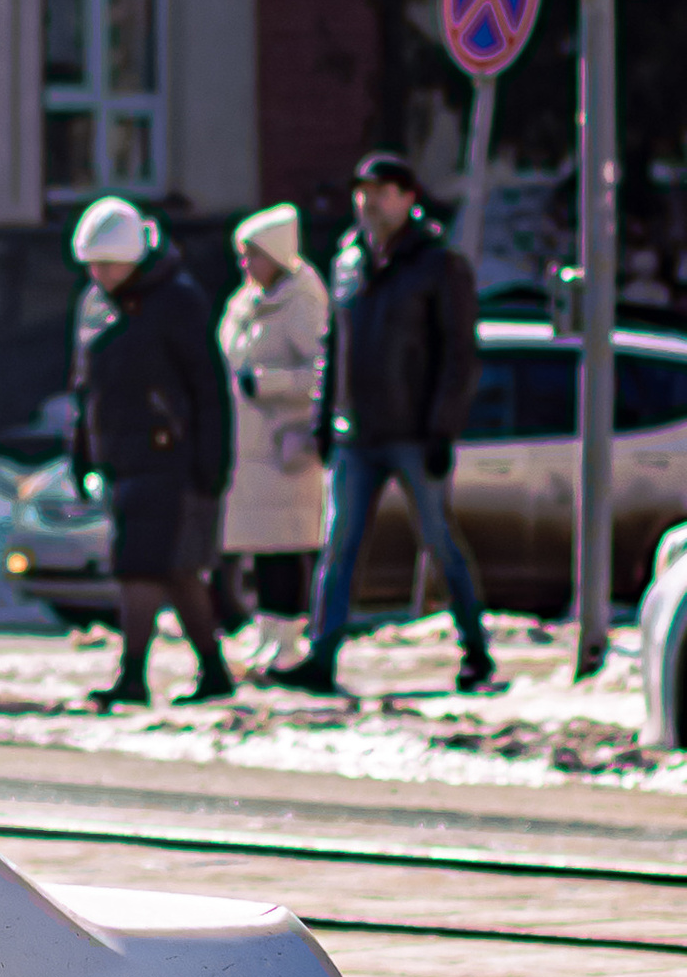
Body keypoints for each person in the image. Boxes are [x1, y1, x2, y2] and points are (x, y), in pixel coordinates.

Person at [272, 150, 492, 696]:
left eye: (380, 191)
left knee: (439, 540)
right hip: (357, 434)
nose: (367, 201)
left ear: (408, 198)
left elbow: (459, 354)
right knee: (339, 545)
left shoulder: (438, 263)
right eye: (361, 191)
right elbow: (333, 347)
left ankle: (476, 652)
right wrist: (325, 417)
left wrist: (444, 428)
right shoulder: (348, 259)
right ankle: (322, 656)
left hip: (414, 434)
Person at [67, 195, 234, 710]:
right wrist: (82, 450)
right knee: (177, 570)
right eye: (91, 263)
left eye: (108, 262)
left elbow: (209, 386)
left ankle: (133, 676)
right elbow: (85, 386)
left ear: (135, 258)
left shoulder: (177, 301)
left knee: (140, 567)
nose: (98, 272)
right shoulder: (96, 303)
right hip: (122, 454)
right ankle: (214, 670)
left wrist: (213, 463)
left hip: (171, 457)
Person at [217, 202, 331, 670]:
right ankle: (267, 632)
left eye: (253, 255)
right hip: (250, 446)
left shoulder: (303, 301)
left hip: (285, 446)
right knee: (261, 546)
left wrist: (269, 383)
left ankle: (288, 638)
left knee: (285, 546)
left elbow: (323, 372)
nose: (245, 264)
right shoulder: (246, 300)